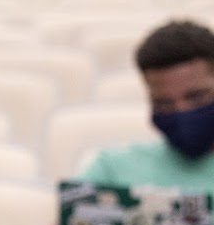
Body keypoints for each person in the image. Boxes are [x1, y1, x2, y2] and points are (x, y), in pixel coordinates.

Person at [79, 19, 214, 192]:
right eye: (164, 104)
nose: (182, 111)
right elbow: (75, 216)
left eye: (197, 97)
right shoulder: (111, 171)